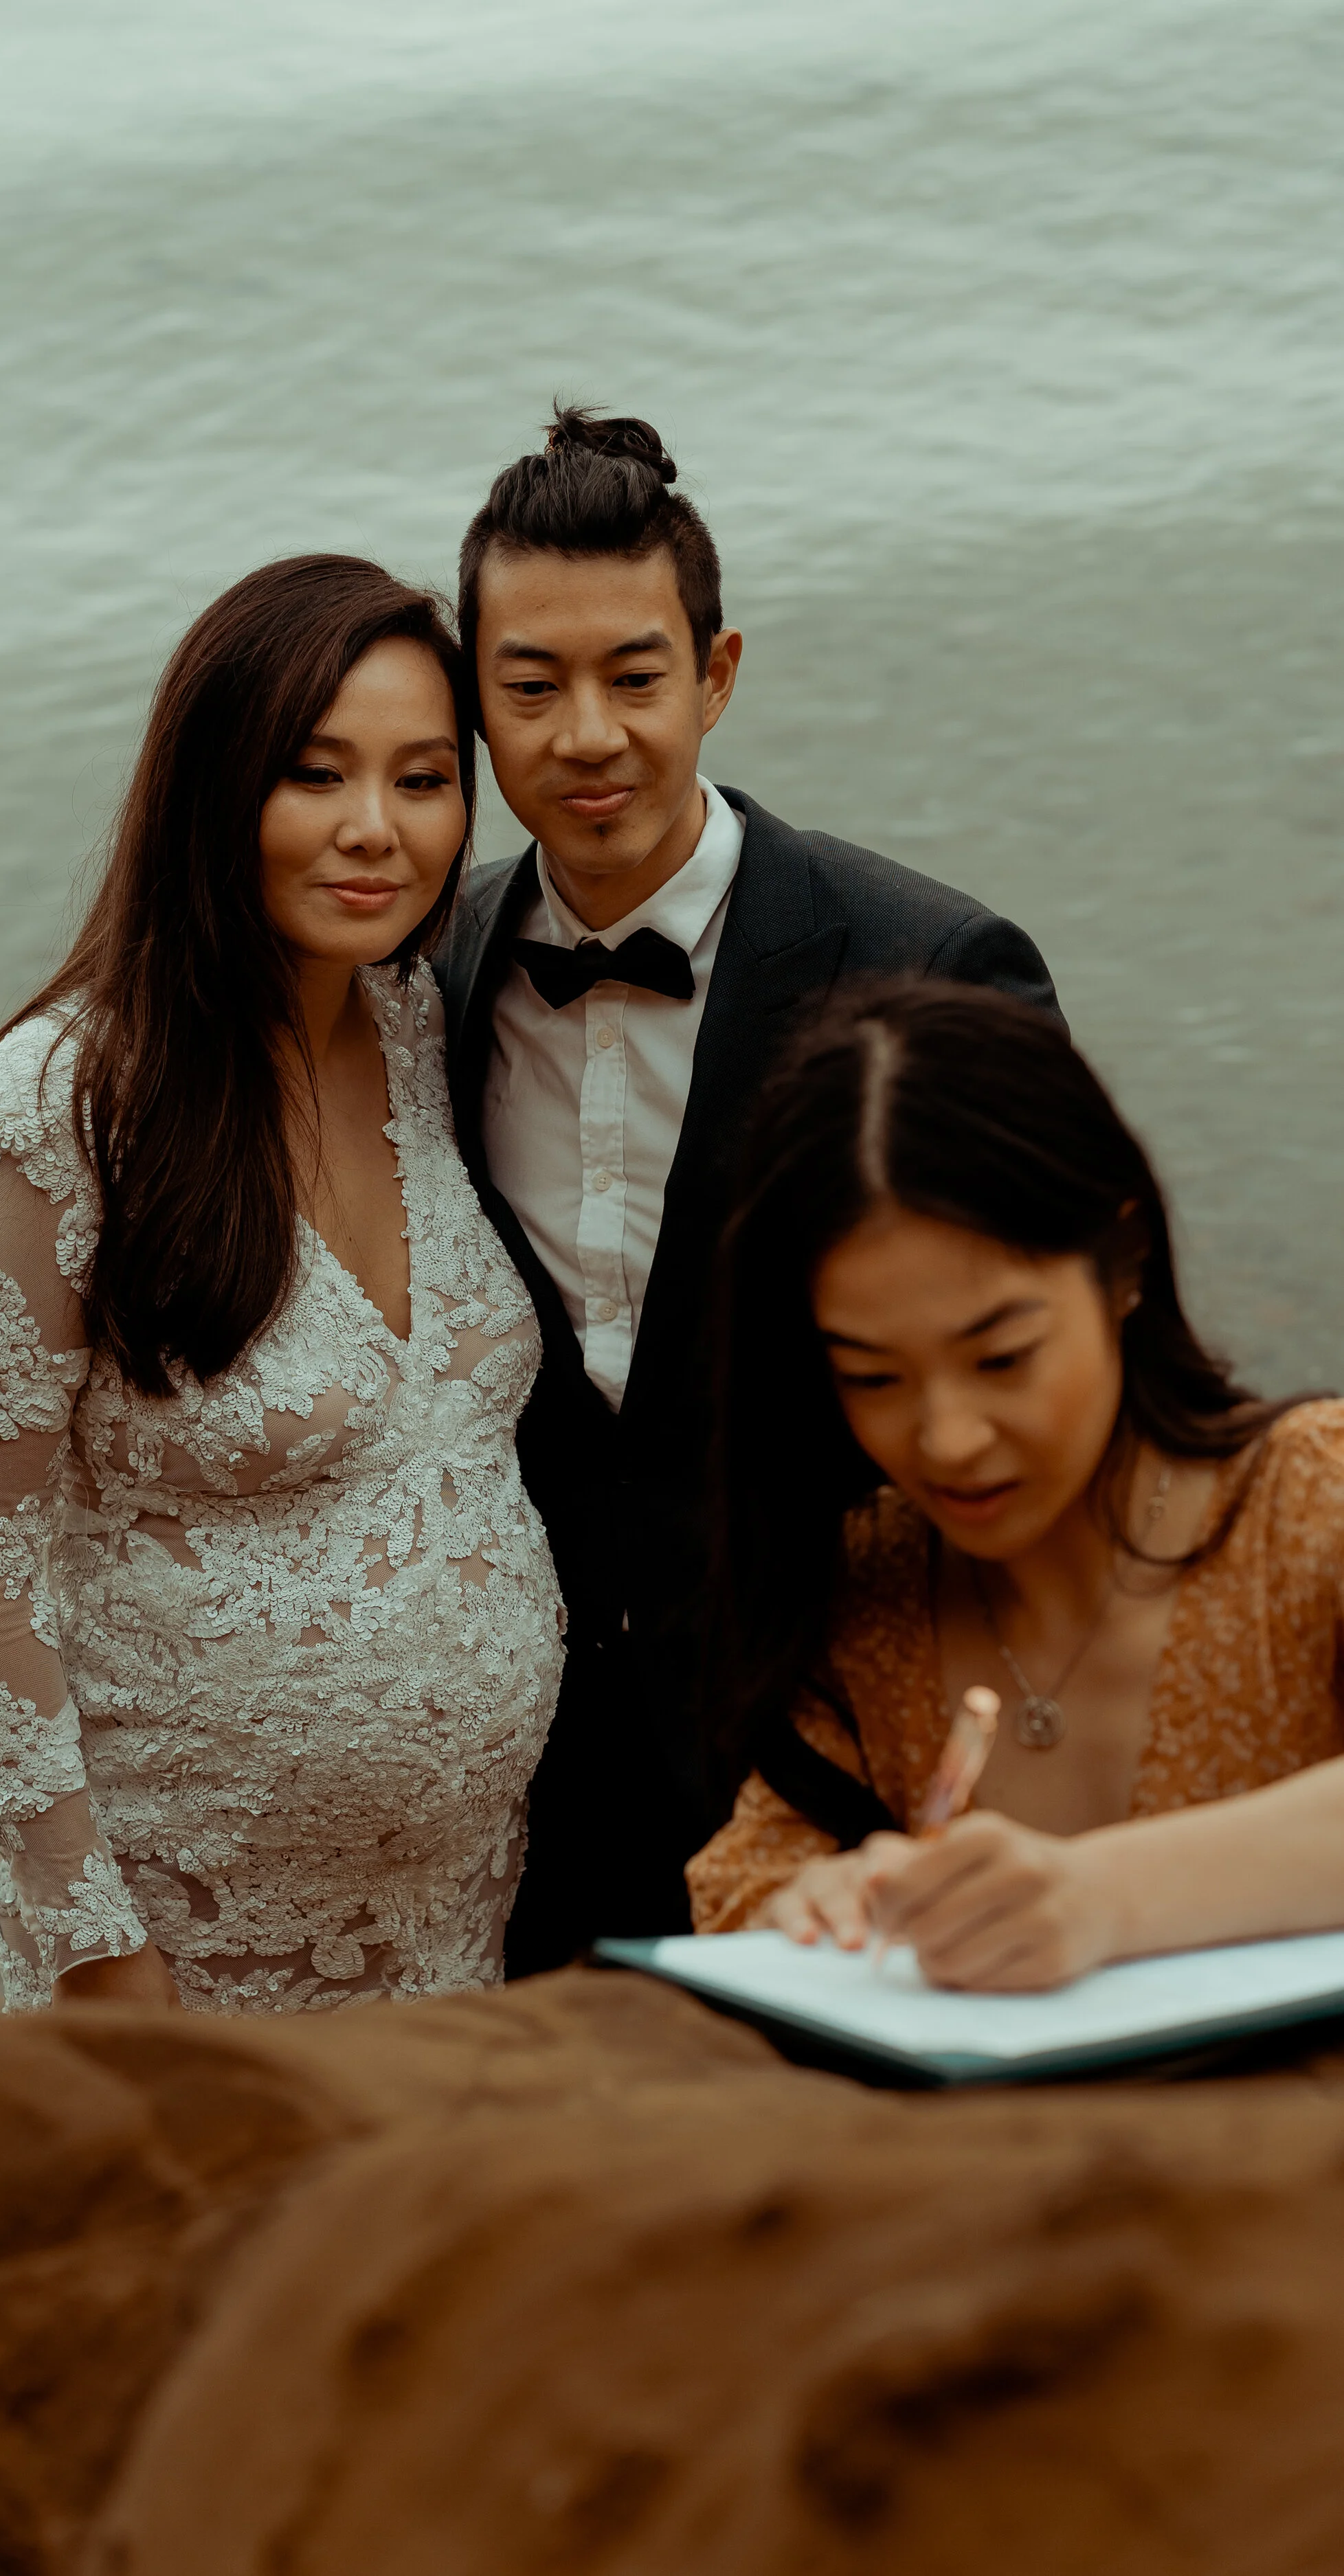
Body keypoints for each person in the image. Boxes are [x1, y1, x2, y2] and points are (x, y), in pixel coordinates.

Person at [438, 406, 1060, 1973]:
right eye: (530, 686)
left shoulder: (925, 965)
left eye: (634, 677)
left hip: (842, 1735)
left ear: (713, 678)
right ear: (472, 702)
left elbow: (1052, 1371)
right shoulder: (413, 974)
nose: (586, 736)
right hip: (514, 1783)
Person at [0, 556, 563, 2015]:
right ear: (211, 789)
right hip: (191, 1946)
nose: (372, 832)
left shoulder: (410, 1031)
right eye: (313, 775)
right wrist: (93, 1948)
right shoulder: (55, 1112)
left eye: (420, 779)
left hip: (459, 1912)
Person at [689, 978, 1344, 1991]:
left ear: (1125, 1265)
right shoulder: (872, 1580)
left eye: (1002, 1357)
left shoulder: (1309, 1497)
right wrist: (813, 1913)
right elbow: (757, 1881)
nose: (947, 1440)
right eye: (871, 1376)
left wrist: (1106, 1897)